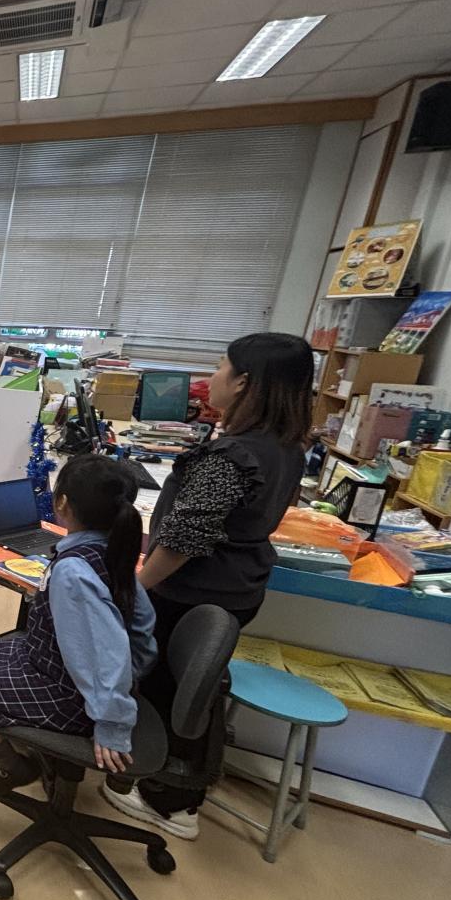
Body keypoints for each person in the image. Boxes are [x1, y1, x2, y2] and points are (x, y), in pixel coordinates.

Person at [104, 332, 314, 840]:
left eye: (220, 366)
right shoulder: (286, 449)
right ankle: (174, 788)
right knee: (195, 689)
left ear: (243, 382)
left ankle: (167, 798)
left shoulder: (232, 458)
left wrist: (135, 588)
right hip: (236, 588)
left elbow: (183, 540)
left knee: (169, 687)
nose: (211, 377)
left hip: (192, 592)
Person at [0, 455, 156, 794]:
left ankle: (12, 768)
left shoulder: (73, 574)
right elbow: (142, 627)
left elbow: (106, 654)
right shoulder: (115, 550)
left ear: (62, 504)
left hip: (69, 694)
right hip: (56, 664)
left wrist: (112, 722)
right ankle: (26, 750)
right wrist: (133, 677)